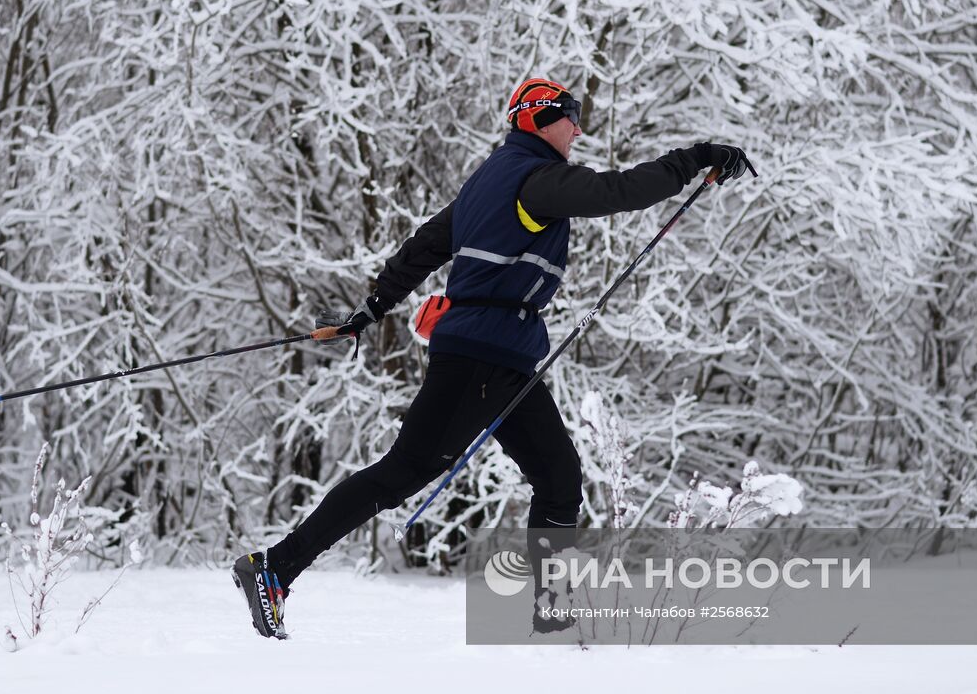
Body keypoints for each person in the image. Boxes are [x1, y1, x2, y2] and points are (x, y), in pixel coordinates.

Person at [233, 77, 755, 639]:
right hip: (480, 356)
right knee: (404, 472)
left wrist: (372, 309)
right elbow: (616, 193)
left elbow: (425, 246)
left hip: (501, 359)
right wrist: (699, 156)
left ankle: (555, 613)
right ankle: (275, 568)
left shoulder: (489, 179)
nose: (578, 127)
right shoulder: (536, 180)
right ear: (537, 119)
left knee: (558, 477)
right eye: (569, 116)